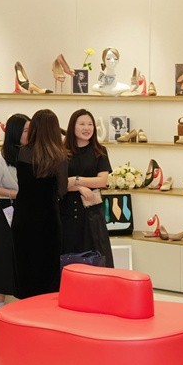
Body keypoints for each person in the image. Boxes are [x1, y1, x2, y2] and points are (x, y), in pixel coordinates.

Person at [11, 109, 67, 298]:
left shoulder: (23, 152)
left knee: (26, 271)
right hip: (48, 221)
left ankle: (25, 310)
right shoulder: (60, 157)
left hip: (23, 219)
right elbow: (62, 190)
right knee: (48, 274)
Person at [0, 113, 29, 311]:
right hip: (7, 208)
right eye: (26, 130)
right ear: (15, 132)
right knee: (3, 256)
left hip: (28, 208)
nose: (30, 134)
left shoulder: (33, 154)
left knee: (27, 256)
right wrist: (14, 193)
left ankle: (27, 302)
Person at [61, 109, 113, 266]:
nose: (87, 128)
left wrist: (76, 181)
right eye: (82, 124)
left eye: (90, 124)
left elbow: (102, 181)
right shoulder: (62, 152)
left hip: (92, 214)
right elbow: (60, 184)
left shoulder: (100, 151)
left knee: (96, 259)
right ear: (72, 126)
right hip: (67, 213)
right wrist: (81, 188)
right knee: (68, 260)